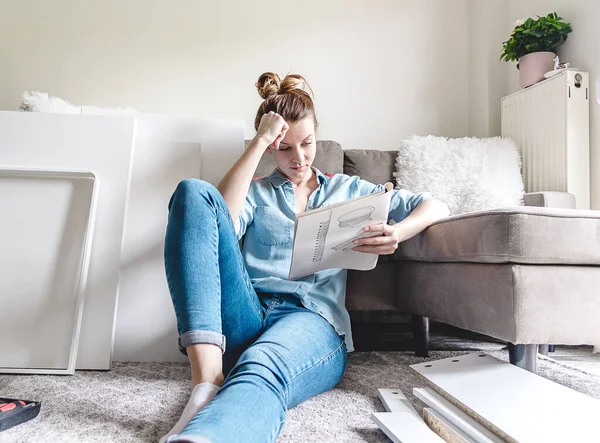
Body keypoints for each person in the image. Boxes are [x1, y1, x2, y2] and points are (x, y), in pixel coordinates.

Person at [160, 72, 450, 443]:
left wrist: (398, 232)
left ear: (317, 135)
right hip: (245, 313)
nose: (298, 158)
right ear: (270, 149)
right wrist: (260, 139)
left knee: (262, 365)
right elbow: (219, 225)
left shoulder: (350, 189)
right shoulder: (256, 191)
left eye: (307, 144)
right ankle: (206, 383)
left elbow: (434, 205)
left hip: (311, 319)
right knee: (193, 192)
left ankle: (208, 436)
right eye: (284, 148)